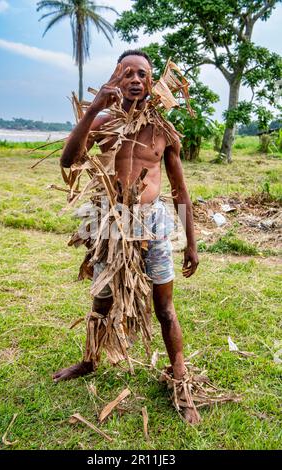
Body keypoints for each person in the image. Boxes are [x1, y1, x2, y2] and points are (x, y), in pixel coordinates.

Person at [53, 50, 199, 424]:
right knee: (101, 302)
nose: (136, 79)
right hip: (108, 225)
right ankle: (89, 361)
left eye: (143, 74)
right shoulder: (101, 122)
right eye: (127, 73)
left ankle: (181, 382)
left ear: (152, 83)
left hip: (153, 225)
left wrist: (191, 243)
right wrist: (93, 108)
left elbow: (180, 192)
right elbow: (68, 161)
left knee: (165, 308)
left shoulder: (163, 131)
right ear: (116, 79)